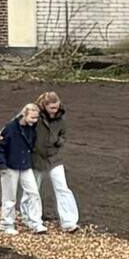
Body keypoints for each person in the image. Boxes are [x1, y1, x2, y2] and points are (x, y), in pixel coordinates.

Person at [32, 89, 80, 233]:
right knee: (33, 190)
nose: (54, 110)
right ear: (44, 105)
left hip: (54, 157)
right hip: (36, 157)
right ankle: (33, 220)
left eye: (56, 107)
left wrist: (59, 141)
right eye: (51, 108)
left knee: (62, 187)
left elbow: (64, 134)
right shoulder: (35, 116)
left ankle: (69, 221)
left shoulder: (61, 119)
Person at [0, 103, 42, 235]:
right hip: (10, 166)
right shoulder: (10, 128)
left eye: (36, 118)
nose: (34, 121)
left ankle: (35, 222)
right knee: (9, 197)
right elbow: (0, 146)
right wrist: (1, 164)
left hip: (25, 164)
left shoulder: (32, 128)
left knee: (34, 193)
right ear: (24, 115)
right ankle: (6, 223)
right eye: (32, 117)